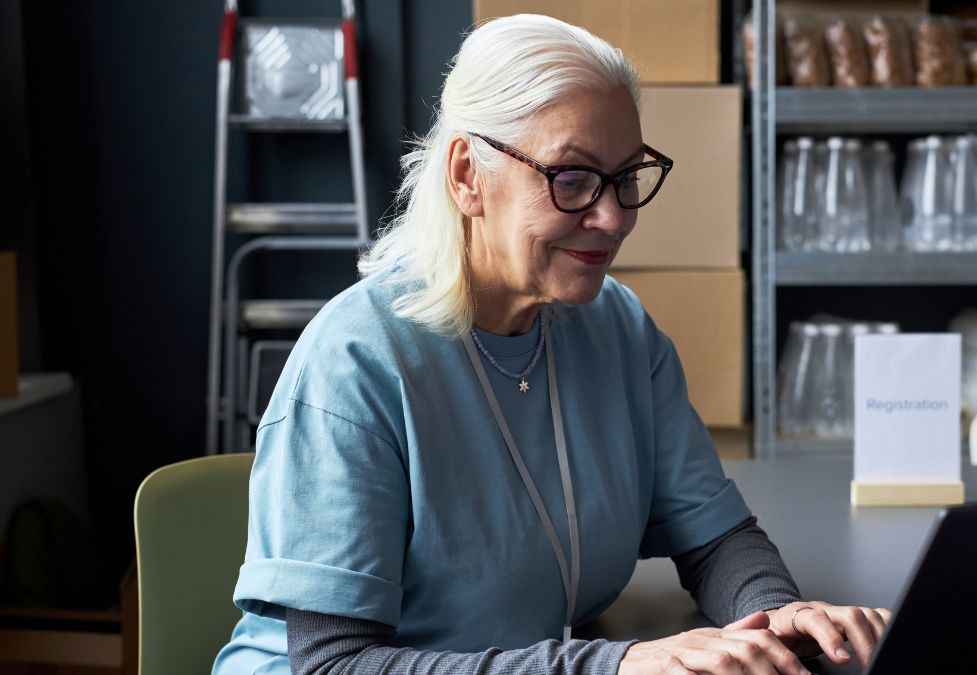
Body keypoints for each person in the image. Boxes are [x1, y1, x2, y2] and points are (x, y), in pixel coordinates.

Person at [212, 14, 891, 675]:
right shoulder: (357, 362)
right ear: (467, 176)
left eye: (628, 176)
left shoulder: (619, 329)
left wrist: (777, 616)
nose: (615, 215)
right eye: (572, 178)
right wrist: (614, 662)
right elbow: (335, 662)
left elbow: (716, 538)